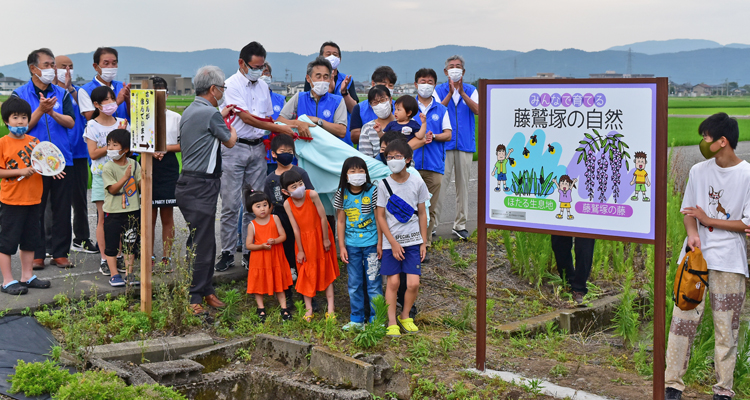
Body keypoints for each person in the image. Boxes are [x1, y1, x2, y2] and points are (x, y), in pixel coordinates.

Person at [665, 113, 750, 400]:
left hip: (730, 263)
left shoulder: (747, 174)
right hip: (695, 259)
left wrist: (709, 220)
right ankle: (672, 386)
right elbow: (689, 212)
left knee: (726, 330)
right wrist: (693, 231)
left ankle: (723, 390)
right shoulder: (698, 171)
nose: (703, 142)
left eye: (706, 137)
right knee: (681, 324)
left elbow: (746, 224)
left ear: (722, 141)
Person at [216, 42, 296, 273]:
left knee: (255, 203)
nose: (258, 71)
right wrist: (282, 129)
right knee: (231, 204)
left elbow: (268, 118)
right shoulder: (230, 85)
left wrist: (290, 124)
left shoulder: (262, 87)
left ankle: (251, 251)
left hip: (258, 148)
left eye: (261, 67)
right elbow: (248, 118)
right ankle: (228, 252)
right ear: (241, 63)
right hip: (234, 147)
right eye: (255, 66)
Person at [176, 66, 237, 315]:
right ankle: (195, 296)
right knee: (204, 242)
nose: (223, 92)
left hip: (189, 182)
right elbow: (230, 142)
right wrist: (230, 124)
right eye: (222, 88)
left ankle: (205, 289)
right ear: (213, 89)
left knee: (199, 240)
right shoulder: (212, 113)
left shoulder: (191, 110)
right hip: (202, 184)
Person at [11, 48, 76, 269]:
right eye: (47, 65)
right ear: (33, 68)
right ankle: (36, 254)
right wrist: (39, 110)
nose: (52, 69)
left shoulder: (62, 93)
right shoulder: (19, 95)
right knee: (35, 209)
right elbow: (20, 128)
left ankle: (60, 253)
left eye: (52, 65)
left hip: (60, 161)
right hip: (32, 162)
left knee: (61, 207)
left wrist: (52, 113)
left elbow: (71, 122)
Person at [375, 139, 429, 337]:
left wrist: (423, 241)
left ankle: (405, 316)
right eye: (389, 157)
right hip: (392, 243)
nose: (393, 160)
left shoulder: (417, 181)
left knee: (413, 283)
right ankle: (391, 321)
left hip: (413, 241)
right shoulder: (383, 185)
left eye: (397, 157)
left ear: (408, 159)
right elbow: (380, 216)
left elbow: (422, 213)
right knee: (393, 282)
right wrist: (390, 242)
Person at [0, 97, 53, 295]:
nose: (21, 121)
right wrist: (20, 171)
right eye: (16, 117)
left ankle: (27, 276)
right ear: (7, 121)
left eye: (24, 117)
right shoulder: (3, 143)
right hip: (12, 201)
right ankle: (7, 281)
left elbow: (46, 164)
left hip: (33, 200)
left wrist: (54, 169)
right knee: (7, 242)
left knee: (31, 240)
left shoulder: (35, 143)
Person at [282, 169, 340, 322]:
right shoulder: (287, 204)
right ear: (285, 191)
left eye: (300, 184)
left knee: (327, 271)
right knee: (306, 273)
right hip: (304, 241)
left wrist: (326, 239)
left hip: (321, 236)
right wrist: (300, 250)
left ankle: (331, 308)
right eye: (293, 186)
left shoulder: (312, 195)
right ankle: (308, 310)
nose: (299, 187)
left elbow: (322, 217)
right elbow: (295, 228)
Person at [83, 86, 129, 275]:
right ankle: (104, 257)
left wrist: (121, 139)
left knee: (121, 219)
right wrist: (112, 143)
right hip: (102, 177)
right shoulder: (92, 126)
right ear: (96, 105)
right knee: (104, 218)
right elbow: (93, 154)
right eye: (106, 100)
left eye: (113, 99)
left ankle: (118, 256)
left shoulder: (122, 122)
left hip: (123, 176)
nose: (111, 103)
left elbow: (128, 149)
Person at [55, 55, 98, 255]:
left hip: (79, 152)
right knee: (51, 200)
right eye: (63, 67)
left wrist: (71, 88)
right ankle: (50, 241)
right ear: (53, 68)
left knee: (79, 199)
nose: (67, 71)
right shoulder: (49, 93)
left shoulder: (79, 92)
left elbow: (89, 115)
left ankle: (81, 238)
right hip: (56, 153)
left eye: (71, 67)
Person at [433, 55, 479, 240]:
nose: (455, 69)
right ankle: (432, 224)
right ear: (445, 71)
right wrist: (450, 94)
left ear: (463, 71)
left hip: (465, 144)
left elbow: (478, 110)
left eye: (458, 66)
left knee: (463, 186)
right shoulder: (438, 90)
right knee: (440, 186)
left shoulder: (472, 89)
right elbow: (436, 110)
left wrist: (463, 94)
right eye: (451, 66)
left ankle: (460, 225)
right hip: (444, 144)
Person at [335, 157, 382, 331]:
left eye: (361, 170)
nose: (357, 174)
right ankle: (357, 319)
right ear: (345, 175)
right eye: (352, 171)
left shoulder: (373, 191)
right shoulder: (342, 193)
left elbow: (379, 218)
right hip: (352, 246)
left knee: (373, 282)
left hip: (372, 244)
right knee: (354, 283)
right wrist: (341, 246)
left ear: (366, 173)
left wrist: (380, 243)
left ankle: (377, 319)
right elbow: (340, 221)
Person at [263, 134, 314, 281]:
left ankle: (308, 283)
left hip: (301, 217)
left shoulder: (300, 173)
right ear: (273, 154)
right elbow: (269, 204)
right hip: (281, 219)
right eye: (282, 151)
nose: (287, 155)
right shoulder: (270, 179)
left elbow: (310, 195)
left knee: (303, 249)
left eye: (290, 152)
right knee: (286, 251)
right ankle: (288, 285)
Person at [413, 68, 452, 251]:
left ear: (434, 85)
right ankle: (409, 242)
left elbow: (448, 134)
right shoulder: (407, 107)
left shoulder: (441, 109)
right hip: (409, 165)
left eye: (429, 82)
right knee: (408, 206)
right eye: (422, 81)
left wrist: (434, 136)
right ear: (415, 84)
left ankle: (425, 243)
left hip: (434, 165)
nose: (425, 85)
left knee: (430, 208)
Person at [244, 190, 292, 323]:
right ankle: (261, 307)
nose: (262, 209)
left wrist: (275, 241)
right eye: (258, 206)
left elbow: (283, 236)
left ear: (270, 205)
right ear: (251, 209)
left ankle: (284, 307)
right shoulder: (252, 225)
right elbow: (248, 245)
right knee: (259, 282)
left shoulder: (275, 218)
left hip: (275, 257)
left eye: (265, 205)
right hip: (259, 260)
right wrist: (261, 246)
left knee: (279, 281)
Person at [149, 77, 182, 270]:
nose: (159, 98)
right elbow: (135, 144)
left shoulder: (175, 117)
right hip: (148, 165)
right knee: (149, 215)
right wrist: (151, 150)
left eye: (162, 94)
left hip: (168, 165)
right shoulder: (141, 116)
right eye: (154, 94)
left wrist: (163, 149)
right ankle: (150, 254)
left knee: (167, 214)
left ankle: (166, 256)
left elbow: (181, 145)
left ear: (167, 95)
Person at [101, 129, 141, 287]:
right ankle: (114, 274)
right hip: (113, 211)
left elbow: (140, 184)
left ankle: (129, 273)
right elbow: (112, 189)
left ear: (125, 150)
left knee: (130, 243)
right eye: (108, 145)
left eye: (114, 145)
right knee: (111, 244)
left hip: (132, 211)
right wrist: (125, 177)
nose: (110, 148)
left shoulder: (134, 164)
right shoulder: (108, 167)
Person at [303, 41, 359, 146]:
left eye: (335, 55)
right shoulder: (312, 79)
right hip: (318, 136)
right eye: (328, 54)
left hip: (342, 138)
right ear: (321, 57)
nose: (332, 57)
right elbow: (309, 102)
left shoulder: (347, 80)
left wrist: (344, 92)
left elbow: (354, 109)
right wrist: (328, 91)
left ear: (340, 59)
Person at [277, 57, 347, 140]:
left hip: (327, 150)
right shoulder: (299, 97)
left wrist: (318, 121)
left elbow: (342, 131)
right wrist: (298, 123)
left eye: (325, 77)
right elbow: (280, 121)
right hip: (303, 149)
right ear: (308, 78)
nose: (322, 81)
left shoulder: (337, 101)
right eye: (318, 76)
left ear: (330, 79)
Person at [78, 47, 130, 121]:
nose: (111, 67)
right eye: (106, 63)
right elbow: (91, 118)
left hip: (124, 130)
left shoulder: (122, 86)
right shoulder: (85, 90)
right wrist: (117, 102)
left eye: (114, 63)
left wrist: (128, 102)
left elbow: (134, 115)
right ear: (96, 67)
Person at [350, 66, 397, 145]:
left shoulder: (400, 107)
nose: (387, 88)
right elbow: (354, 137)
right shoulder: (359, 108)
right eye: (384, 85)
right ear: (373, 84)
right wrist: (373, 134)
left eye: (391, 85)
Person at [260, 62, 288, 175]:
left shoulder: (281, 100)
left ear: (270, 76)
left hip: (278, 153)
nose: (263, 76)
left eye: (266, 73)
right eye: (260, 73)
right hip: (259, 153)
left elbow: (286, 122)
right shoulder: (250, 99)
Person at [358, 85, 395, 158]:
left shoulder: (404, 123)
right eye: (375, 102)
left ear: (390, 100)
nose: (380, 105)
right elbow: (367, 160)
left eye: (382, 100)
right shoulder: (367, 128)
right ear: (371, 105)